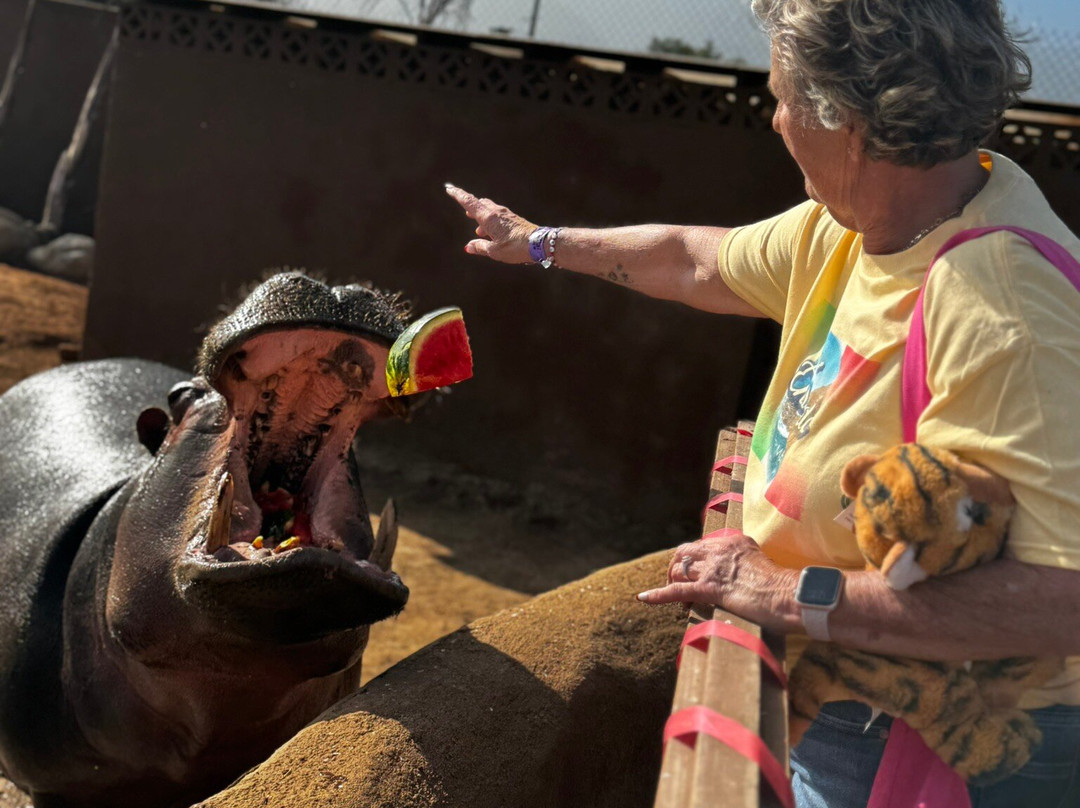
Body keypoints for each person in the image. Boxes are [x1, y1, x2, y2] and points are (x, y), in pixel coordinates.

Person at [446, 0, 1080, 805]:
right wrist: (537, 241)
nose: (775, 119)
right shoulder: (854, 227)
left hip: (952, 747)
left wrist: (787, 591)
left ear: (847, 119)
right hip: (851, 705)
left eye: (782, 94)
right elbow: (693, 261)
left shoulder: (1002, 303)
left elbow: (1065, 601)